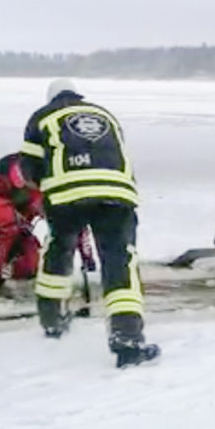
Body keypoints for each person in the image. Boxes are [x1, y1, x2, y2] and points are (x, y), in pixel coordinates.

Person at [19, 79, 158, 368]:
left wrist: (42, 189)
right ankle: (127, 339)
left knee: (59, 249)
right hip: (115, 193)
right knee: (119, 261)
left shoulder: (42, 116)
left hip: (66, 194)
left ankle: (52, 319)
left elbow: (27, 167)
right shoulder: (104, 114)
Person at [0, 153, 44, 294]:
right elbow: (19, 179)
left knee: (28, 262)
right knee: (9, 229)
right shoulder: (28, 166)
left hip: (22, 204)